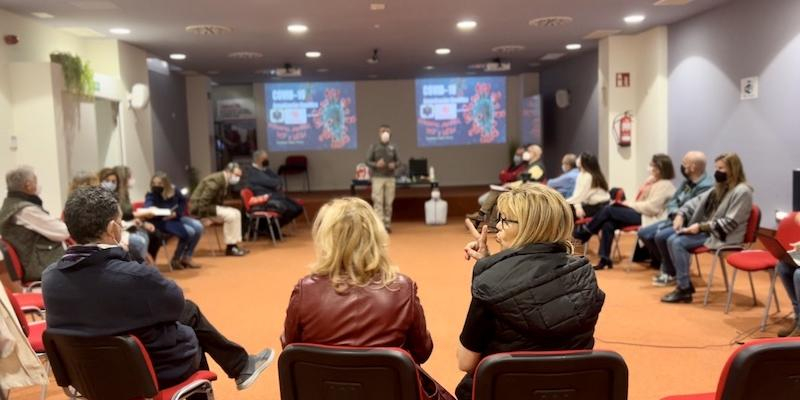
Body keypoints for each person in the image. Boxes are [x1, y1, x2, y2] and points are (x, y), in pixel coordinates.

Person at [42, 187, 274, 390]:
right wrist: (126, 255)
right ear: (113, 228)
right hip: (146, 372)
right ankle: (232, 370)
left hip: (86, 376)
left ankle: (241, 364)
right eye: (120, 223)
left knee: (184, 313)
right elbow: (174, 304)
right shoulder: (133, 275)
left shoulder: (50, 277)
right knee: (187, 320)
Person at [282, 197, 454, 400]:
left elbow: (290, 350)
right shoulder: (402, 288)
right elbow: (423, 351)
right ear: (375, 237)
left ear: (326, 239)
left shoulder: (305, 291)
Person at [457, 184, 605, 400]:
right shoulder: (585, 275)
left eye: (504, 220)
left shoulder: (489, 283)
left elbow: (465, 362)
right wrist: (491, 263)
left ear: (529, 227)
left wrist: (489, 269)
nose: (497, 227)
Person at [661, 153, 753, 304]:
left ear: (733, 169)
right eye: (716, 167)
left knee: (677, 243)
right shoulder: (720, 187)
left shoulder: (742, 191)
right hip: (710, 232)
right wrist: (681, 214)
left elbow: (730, 222)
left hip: (724, 236)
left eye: (721, 168)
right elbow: (694, 202)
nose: (717, 171)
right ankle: (685, 285)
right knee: (671, 239)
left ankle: (683, 289)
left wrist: (700, 227)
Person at [573, 154, 677, 270]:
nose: (649, 167)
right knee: (608, 223)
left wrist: (629, 204)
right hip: (641, 213)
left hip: (649, 217)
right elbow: (642, 202)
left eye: (652, 165)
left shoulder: (665, 185)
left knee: (608, 210)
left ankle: (584, 234)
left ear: (659, 168)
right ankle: (605, 260)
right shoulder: (653, 183)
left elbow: (652, 208)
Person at [639, 151, 714, 286]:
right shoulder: (687, 183)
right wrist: (675, 213)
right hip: (675, 218)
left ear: (693, 167)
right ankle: (668, 264)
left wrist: (679, 215)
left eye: (684, 163)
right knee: (644, 233)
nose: (681, 166)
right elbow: (673, 202)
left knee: (661, 237)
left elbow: (694, 210)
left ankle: (670, 271)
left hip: (690, 223)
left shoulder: (706, 186)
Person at [0, 167, 69, 282]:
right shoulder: (25, 210)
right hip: (40, 266)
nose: (38, 185)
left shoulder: (11, 205)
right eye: (35, 181)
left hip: (35, 261)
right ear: (28, 185)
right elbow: (63, 231)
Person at [467, 144, 546, 230]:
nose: (526, 153)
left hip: (528, 193)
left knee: (495, 192)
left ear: (535, 153)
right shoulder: (529, 165)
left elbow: (527, 182)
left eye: (528, 151)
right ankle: (490, 223)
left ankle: (481, 215)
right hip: (523, 190)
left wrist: (510, 185)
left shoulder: (537, 166)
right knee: (496, 198)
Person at [145, 172, 204, 270]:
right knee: (190, 231)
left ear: (166, 183)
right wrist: (155, 210)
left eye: (159, 183)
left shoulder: (174, 190)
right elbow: (148, 206)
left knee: (198, 227)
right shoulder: (151, 194)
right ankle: (176, 259)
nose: (156, 185)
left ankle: (187, 257)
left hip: (176, 217)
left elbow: (182, 201)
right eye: (154, 183)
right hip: (162, 220)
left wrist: (176, 213)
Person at [190, 163, 249, 256]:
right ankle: (230, 248)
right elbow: (203, 200)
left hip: (210, 206)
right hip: (200, 208)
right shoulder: (216, 181)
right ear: (228, 172)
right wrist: (203, 217)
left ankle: (234, 245)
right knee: (231, 215)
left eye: (239, 176)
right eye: (236, 175)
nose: (238, 178)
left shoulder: (224, 180)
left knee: (237, 213)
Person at [98, 167, 153, 264]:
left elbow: (120, 217)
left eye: (113, 181)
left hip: (121, 227)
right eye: (107, 180)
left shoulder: (115, 196)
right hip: (108, 232)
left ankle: (142, 266)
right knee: (139, 241)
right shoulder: (99, 198)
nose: (110, 184)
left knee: (143, 234)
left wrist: (131, 223)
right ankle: (139, 268)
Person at [242, 150, 304, 227]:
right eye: (265, 159)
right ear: (258, 160)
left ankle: (274, 228)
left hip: (275, 196)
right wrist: (275, 183)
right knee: (288, 208)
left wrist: (275, 183)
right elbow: (272, 183)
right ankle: (270, 229)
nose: (267, 160)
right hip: (265, 199)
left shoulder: (265, 169)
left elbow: (278, 180)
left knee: (298, 208)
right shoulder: (253, 172)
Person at [366, 125, 399, 232]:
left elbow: (399, 161)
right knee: (378, 202)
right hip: (377, 178)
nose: (385, 133)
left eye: (387, 131)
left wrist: (395, 165)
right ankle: (379, 226)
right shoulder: (374, 147)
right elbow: (367, 161)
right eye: (383, 131)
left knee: (388, 203)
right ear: (379, 134)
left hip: (390, 178)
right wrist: (376, 164)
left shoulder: (393, 147)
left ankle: (387, 224)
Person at [566, 152, 611, 219]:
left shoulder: (588, 176)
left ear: (584, 162)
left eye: (579, 158)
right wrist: (578, 206)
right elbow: (577, 195)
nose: (577, 159)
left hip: (599, 206)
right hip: (590, 204)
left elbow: (579, 197)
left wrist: (563, 202)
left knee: (566, 212)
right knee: (567, 209)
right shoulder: (582, 174)